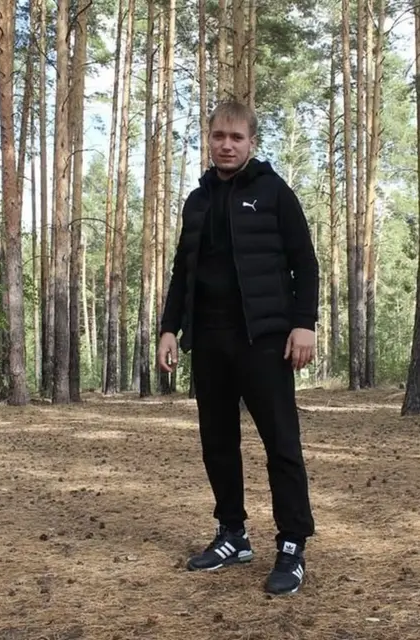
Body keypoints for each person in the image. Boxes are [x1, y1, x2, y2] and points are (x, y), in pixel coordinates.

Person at [158, 100, 318, 596]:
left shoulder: (273, 192)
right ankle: (232, 533)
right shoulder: (197, 200)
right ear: (209, 140)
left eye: (236, 137)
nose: (226, 145)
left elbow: (305, 261)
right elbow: (182, 271)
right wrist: (169, 328)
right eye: (218, 136)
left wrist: (304, 325)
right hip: (209, 339)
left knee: (281, 444)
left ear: (251, 142)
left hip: (264, 339)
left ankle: (291, 545)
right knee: (218, 442)